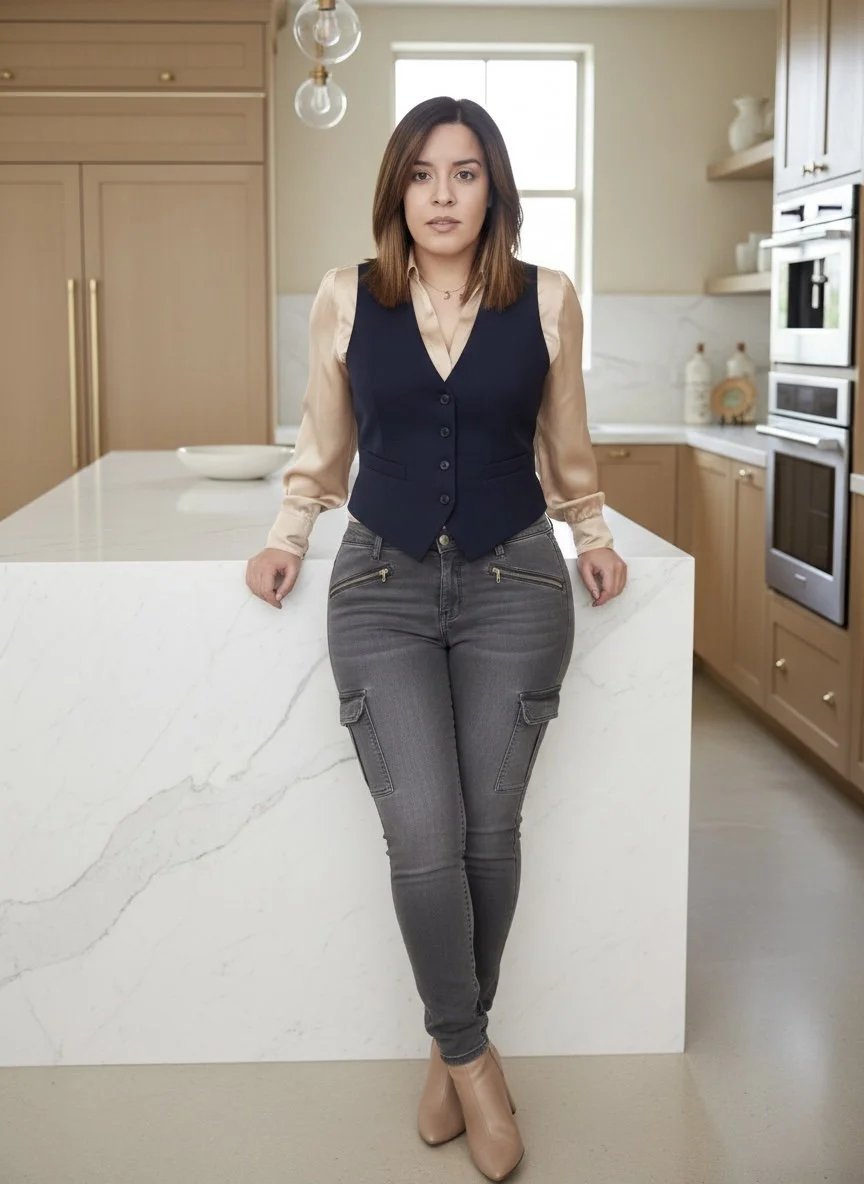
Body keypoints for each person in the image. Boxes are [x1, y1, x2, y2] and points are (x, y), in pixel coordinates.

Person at [246, 95, 627, 1182]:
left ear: (493, 189)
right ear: (397, 190)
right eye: (423, 174)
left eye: (465, 174)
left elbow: (568, 445)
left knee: (488, 831)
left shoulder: (547, 298)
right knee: (424, 831)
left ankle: (445, 1046)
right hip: (381, 583)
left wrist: (591, 532)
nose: (444, 194)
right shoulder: (344, 296)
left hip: (517, 579)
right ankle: (471, 1054)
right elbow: (324, 443)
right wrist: (287, 531)